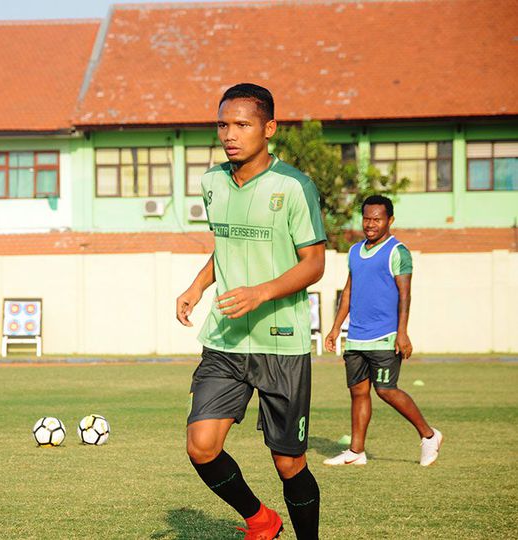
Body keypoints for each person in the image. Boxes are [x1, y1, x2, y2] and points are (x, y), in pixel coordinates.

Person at [176, 83, 325, 540]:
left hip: (281, 341)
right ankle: (261, 521)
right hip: (225, 339)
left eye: (242, 124)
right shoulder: (212, 182)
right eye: (223, 124)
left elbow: (314, 264)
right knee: (202, 447)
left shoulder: (294, 186)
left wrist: (260, 293)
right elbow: (225, 244)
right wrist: (197, 287)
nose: (229, 133)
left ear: (269, 128)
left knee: (288, 462)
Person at [324, 195, 442, 467]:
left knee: (386, 390)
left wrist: (402, 333)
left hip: (385, 336)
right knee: (358, 392)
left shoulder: (397, 252)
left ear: (390, 220)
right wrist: (335, 328)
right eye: (367, 218)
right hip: (356, 336)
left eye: (377, 219)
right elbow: (349, 291)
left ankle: (428, 435)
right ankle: (356, 452)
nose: (371, 224)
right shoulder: (354, 251)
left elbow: (405, 295)